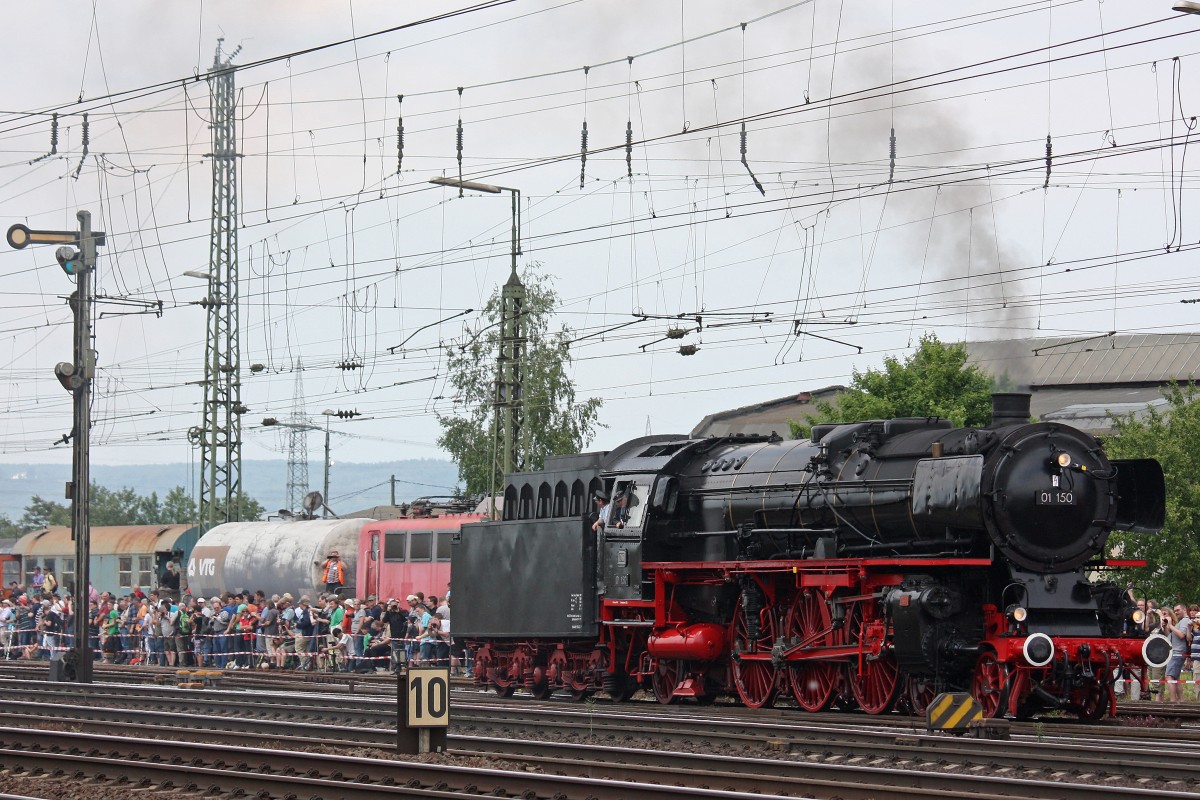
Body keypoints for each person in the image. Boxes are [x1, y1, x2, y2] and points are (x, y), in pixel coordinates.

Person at [1165, 605, 1191, 703]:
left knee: (1169, 676)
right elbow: (1171, 636)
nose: (1176, 612)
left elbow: (1181, 635)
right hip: (1176, 651)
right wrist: (1167, 626)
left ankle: (1172, 701)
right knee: (1176, 677)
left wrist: (1171, 625)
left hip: (1178, 652)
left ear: (1184, 609)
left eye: (1178, 610)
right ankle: (1180, 701)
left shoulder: (1185, 620)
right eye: (1175, 611)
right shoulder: (1181, 621)